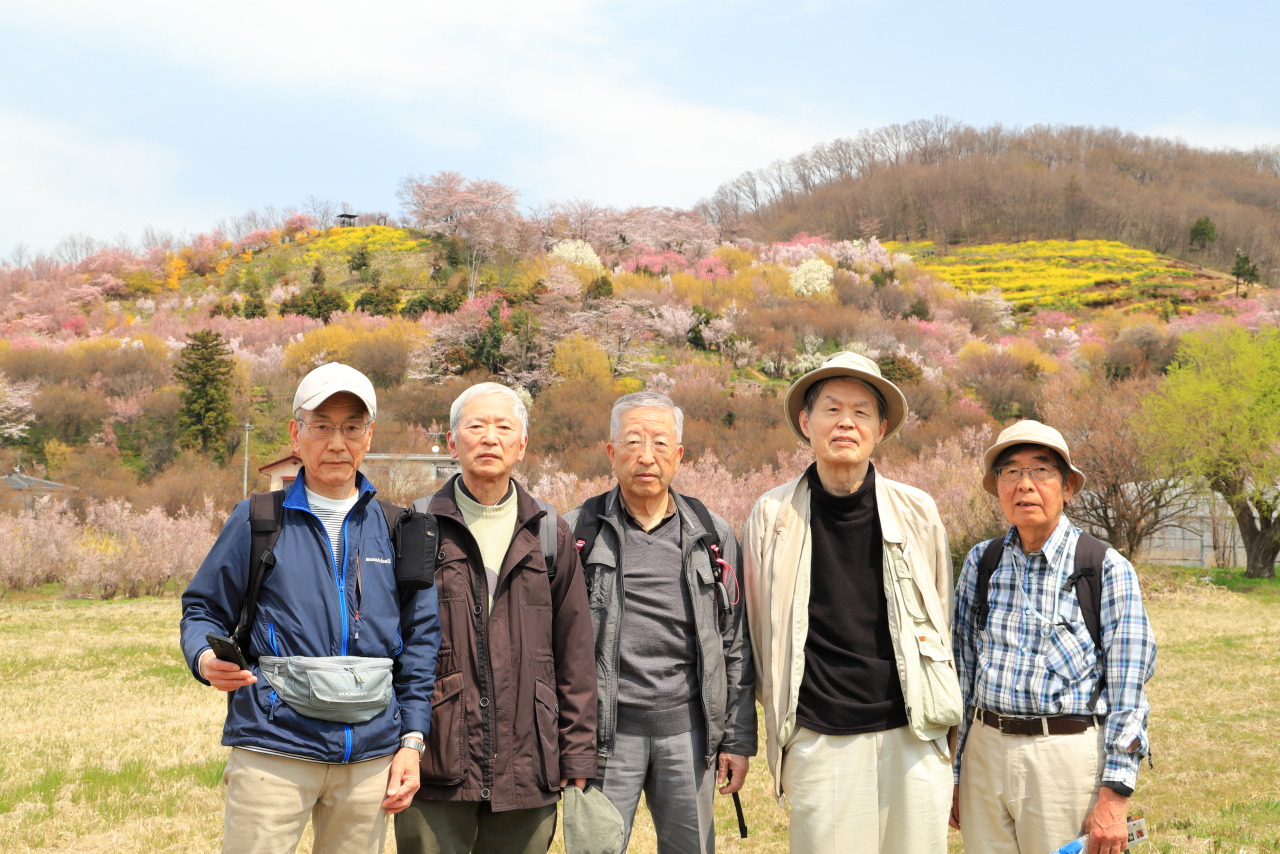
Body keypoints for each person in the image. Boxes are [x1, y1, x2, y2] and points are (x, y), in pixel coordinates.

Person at [180, 362, 441, 854]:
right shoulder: (259, 519)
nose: (337, 443)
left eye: (351, 427)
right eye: (322, 427)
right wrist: (205, 659)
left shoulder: (401, 528)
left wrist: (411, 741)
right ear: (296, 435)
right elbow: (202, 609)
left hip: (369, 756)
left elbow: (422, 642)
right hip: (273, 747)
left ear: (369, 436)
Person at [742, 351, 962, 854]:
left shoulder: (917, 511)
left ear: (881, 428)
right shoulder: (771, 514)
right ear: (806, 421)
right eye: (832, 409)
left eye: (862, 412)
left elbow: (941, 614)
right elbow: (757, 629)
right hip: (819, 734)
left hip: (914, 729)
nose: (846, 423)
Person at [396, 382, 597, 854]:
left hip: (528, 758)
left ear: (522, 445)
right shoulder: (419, 525)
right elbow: (396, 643)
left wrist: (578, 751)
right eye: (476, 426)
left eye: (504, 427)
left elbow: (575, 651)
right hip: (439, 758)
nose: (490, 438)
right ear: (451, 442)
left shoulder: (549, 532)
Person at [949, 421, 1156, 854]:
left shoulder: (1103, 566)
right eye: (1011, 472)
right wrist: (956, 771)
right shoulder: (981, 562)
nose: (1024, 485)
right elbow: (961, 672)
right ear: (998, 487)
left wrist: (1114, 796)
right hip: (985, 752)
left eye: (1040, 471)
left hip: (1064, 758)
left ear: (1067, 487)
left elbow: (1129, 691)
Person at [564, 391, 756, 854]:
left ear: (679, 456)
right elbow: (556, 647)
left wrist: (738, 738)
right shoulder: (576, 533)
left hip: (688, 733)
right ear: (611, 454)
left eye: (659, 444)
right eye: (632, 442)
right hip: (608, 736)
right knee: (597, 848)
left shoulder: (712, 534)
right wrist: (569, 741)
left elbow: (734, 643)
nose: (646, 456)